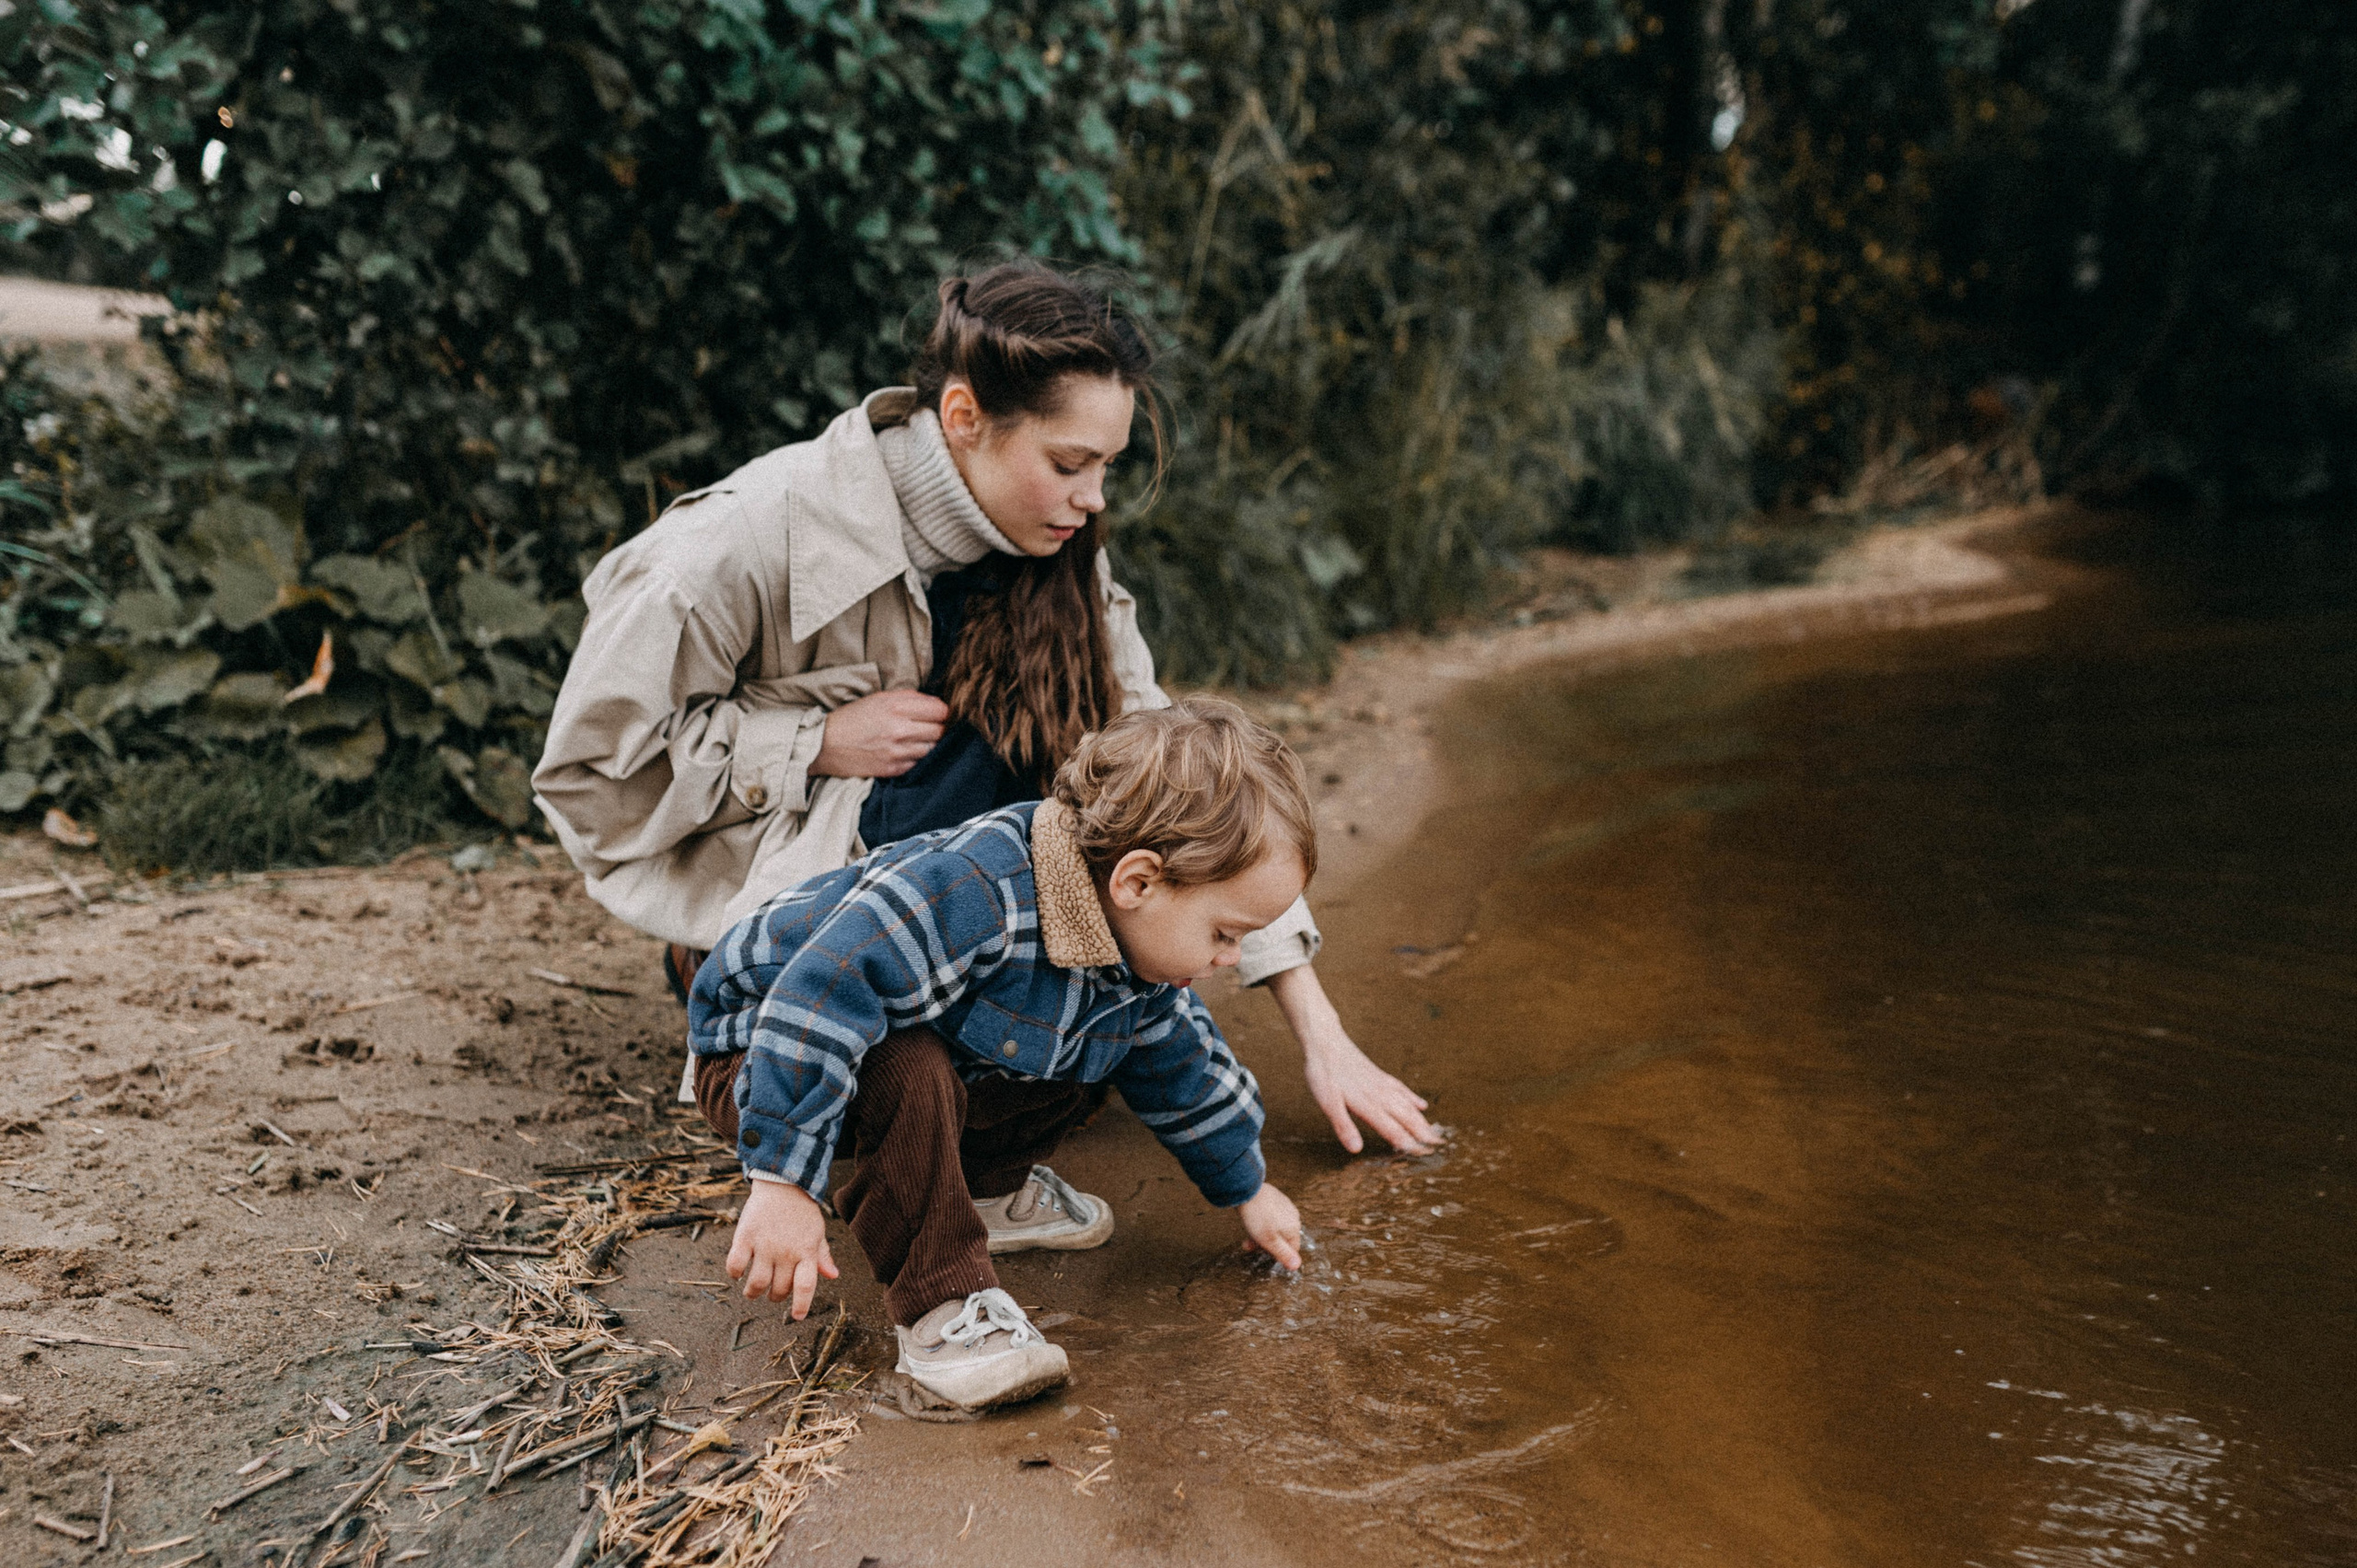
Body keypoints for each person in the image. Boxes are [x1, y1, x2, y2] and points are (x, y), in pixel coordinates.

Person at [531, 261, 1436, 1236]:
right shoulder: (748, 537)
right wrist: (812, 739)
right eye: (1068, 462)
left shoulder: (1060, 547)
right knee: (917, 1075)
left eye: (1107, 468)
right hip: (795, 927)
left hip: (984, 919)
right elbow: (589, 774)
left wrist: (1321, 1030)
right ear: (962, 415)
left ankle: (970, 1123)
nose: (1092, 499)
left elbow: (1194, 801)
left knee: (1118, 1038)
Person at [688, 699, 1309, 1411]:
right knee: (907, 1065)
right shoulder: (974, 888)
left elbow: (1184, 1067)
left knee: (1102, 1041)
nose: (1230, 959)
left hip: (891, 1039)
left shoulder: (1136, 952)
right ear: (1138, 881)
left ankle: (985, 1189)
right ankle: (945, 1306)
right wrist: (783, 1181)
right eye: (1227, 934)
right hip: (765, 1045)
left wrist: (1247, 1185)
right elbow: (822, 992)